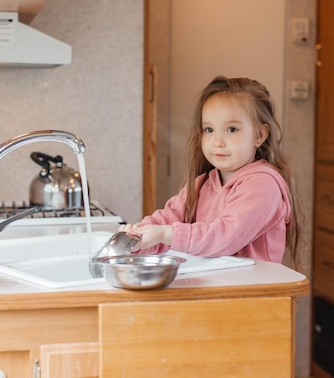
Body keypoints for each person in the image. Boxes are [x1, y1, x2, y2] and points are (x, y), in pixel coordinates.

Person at [121, 75, 306, 268]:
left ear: (259, 135)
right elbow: (168, 218)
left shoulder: (262, 186)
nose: (218, 141)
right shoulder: (201, 184)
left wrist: (165, 233)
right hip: (216, 288)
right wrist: (137, 239)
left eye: (232, 129)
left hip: (252, 293)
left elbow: (224, 236)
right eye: (209, 130)